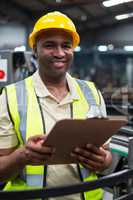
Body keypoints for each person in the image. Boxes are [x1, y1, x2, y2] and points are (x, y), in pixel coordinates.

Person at [0, 11, 112, 200]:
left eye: (66, 46)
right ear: (35, 49)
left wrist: (103, 161)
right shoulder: (10, 96)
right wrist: (23, 156)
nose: (59, 53)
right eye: (50, 45)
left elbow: (106, 156)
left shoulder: (92, 92)